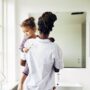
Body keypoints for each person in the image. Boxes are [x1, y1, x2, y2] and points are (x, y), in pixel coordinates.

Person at [21, 11, 64, 90]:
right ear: (51, 28)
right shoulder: (55, 48)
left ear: (38, 28)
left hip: (29, 87)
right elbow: (57, 68)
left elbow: (22, 63)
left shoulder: (28, 43)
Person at [18, 16, 55, 90]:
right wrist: (24, 49)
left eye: (27, 31)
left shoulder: (38, 38)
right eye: (24, 32)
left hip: (36, 60)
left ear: (34, 29)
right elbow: (20, 47)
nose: (25, 33)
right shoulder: (26, 39)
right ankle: (20, 84)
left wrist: (50, 39)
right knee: (26, 71)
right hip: (29, 60)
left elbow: (44, 41)